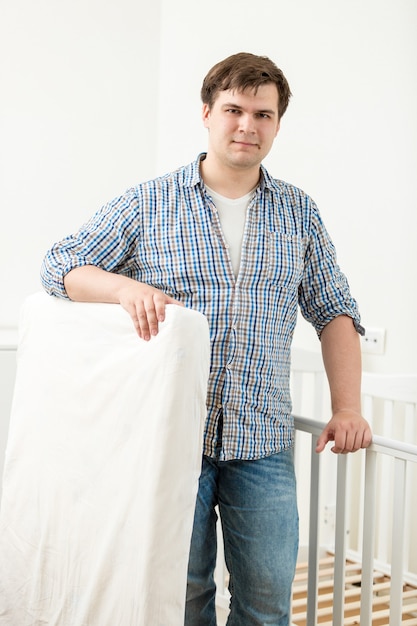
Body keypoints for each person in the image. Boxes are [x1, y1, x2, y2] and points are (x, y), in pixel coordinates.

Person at [41, 52, 372, 625]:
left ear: (277, 123)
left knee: (267, 603)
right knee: (181, 599)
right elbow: (59, 266)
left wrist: (347, 408)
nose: (248, 125)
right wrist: (123, 289)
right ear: (207, 114)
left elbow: (334, 311)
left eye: (262, 114)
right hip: (171, 438)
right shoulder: (150, 202)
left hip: (261, 440)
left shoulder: (299, 213)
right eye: (234, 110)